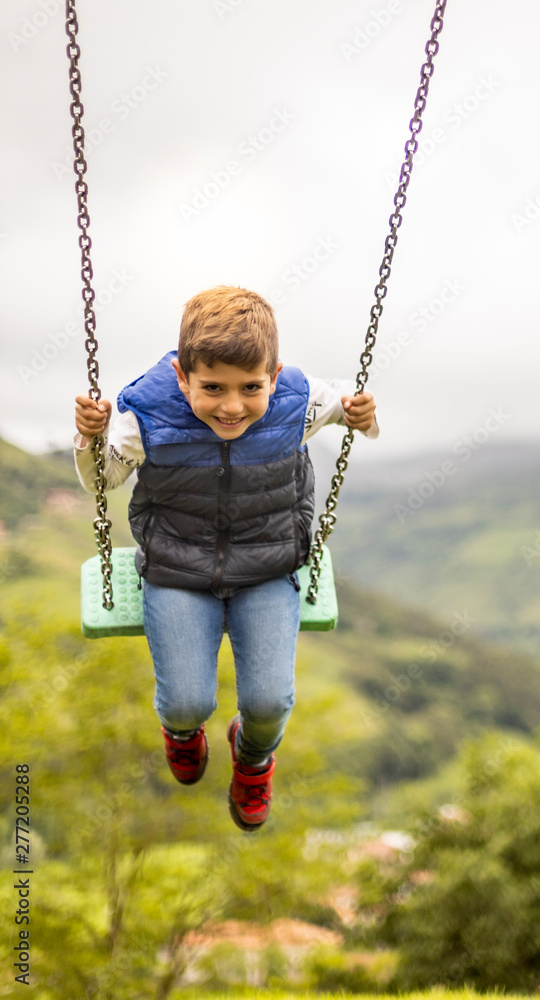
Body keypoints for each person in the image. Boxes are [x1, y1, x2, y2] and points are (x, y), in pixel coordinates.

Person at [74, 285, 378, 831]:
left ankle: (254, 758)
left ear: (275, 376)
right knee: (187, 702)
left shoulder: (299, 399)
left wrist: (362, 413)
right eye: (212, 387)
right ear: (182, 377)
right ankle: (183, 734)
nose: (232, 405)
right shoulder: (143, 410)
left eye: (251, 388)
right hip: (176, 570)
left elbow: (352, 409)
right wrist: (89, 438)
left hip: (266, 567)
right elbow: (107, 478)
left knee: (268, 703)